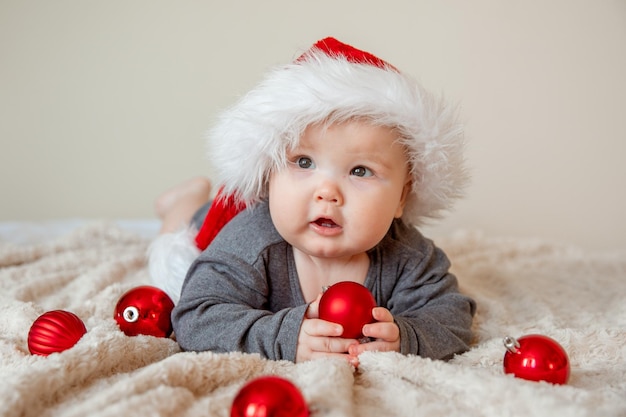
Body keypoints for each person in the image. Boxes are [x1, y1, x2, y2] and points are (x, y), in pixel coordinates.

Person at [149, 37, 476, 366]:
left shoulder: (410, 257)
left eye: (360, 171)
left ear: (401, 198)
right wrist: (283, 336)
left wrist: (407, 337)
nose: (327, 192)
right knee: (181, 237)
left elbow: (452, 318)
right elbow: (195, 318)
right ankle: (183, 201)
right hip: (214, 224)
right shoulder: (249, 243)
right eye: (303, 162)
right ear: (269, 174)